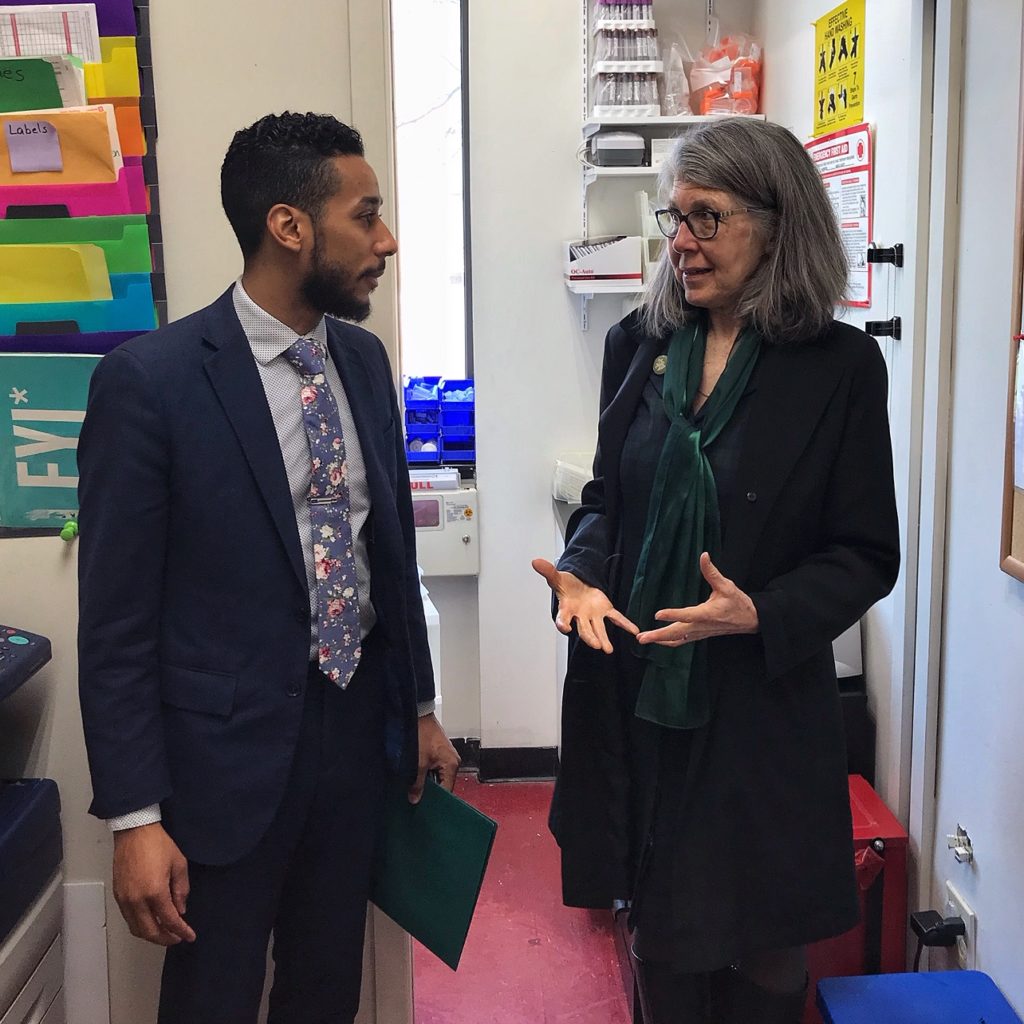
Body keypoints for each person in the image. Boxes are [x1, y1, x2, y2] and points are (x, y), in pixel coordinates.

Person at [77, 111, 460, 1024]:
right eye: (366, 216)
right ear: (290, 227)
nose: (387, 240)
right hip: (223, 768)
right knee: (212, 1001)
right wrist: (135, 817)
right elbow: (117, 623)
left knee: (327, 989)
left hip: (356, 739)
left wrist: (419, 708)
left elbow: (387, 555)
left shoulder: (364, 363)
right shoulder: (152, 382)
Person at [534, 117, 899, 1024]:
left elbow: (866, 552)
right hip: (647, 701)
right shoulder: (641, 344)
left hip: (761, 711)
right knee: (662, 939)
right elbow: (607, 499)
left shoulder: (840, 367)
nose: (682, 244)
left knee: (767, 952)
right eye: (675, 219)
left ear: (777, 224)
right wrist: (581, 574)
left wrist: (761, 613)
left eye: (707, 218)